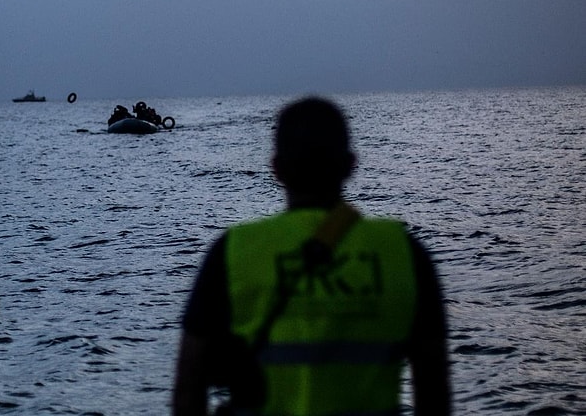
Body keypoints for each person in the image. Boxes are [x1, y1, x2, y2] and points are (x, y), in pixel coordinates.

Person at [173, 97, 451, 416]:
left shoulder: (234, 250)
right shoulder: (404, 252)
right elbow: (434, 394)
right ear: (350, 164)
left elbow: (188, 390)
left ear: (277, 168)